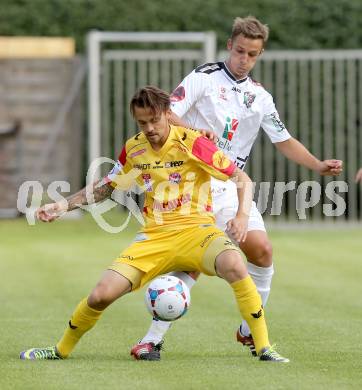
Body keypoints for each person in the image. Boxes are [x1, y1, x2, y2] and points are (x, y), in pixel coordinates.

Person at [20, 86, 289, 363]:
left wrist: (242, 216)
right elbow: (107, 186)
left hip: (198, 233)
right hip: (155, 238)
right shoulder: (134, 149)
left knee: (234, 264)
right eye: (142, 122)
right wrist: (63, 205)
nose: (149, 128)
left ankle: (264, 346)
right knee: (100, 295)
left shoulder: (193, 142)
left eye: (154, 120)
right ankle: (59, 350)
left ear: (167, 115)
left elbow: (242, 179)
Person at [131, 16, 343, 360]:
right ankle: (151, 341)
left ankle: (249, 331)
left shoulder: (260, 97)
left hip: (232, 185)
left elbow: (283, 139)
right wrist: (197, 136)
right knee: (191, 265)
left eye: (253, 54)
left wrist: (318, 164)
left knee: (262, 251)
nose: (244, 59)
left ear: (260, 55)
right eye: (240, 51)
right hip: (193, 184)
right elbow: (166, 114)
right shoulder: (203, 79)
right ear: (230, 46)